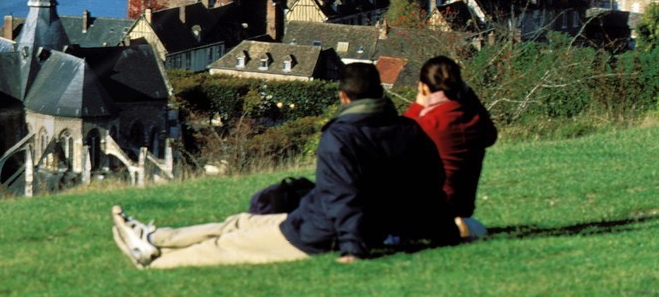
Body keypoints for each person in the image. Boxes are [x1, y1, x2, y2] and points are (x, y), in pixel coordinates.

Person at [112, 63, 457, 269]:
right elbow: (432, 182)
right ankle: (154, 237)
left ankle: (153, 259)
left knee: (224, 248)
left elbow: (345, 196)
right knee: (240, 222)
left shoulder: (340, 137)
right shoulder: (409, 130)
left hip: (319, 234)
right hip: (332, 220)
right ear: (379, 93)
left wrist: (353, 249)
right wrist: (445, 231)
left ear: (343, 97)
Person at [404, 55, 497, 237]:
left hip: (427, 208)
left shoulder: (427, 123)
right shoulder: (475, 120)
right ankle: (460, 225)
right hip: (463, 208)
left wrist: (416, 105)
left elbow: (397, 135)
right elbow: (490, 135)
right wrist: (469, 95)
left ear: (423, 86)